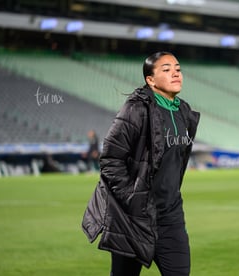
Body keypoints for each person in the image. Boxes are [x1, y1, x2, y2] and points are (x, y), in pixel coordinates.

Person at [82, 52, 200, 276]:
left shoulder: (184, 111)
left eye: (177, 68)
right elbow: (110, 160)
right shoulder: (135, 109)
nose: (175, 72)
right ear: (150, 80)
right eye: (166, 69)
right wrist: (133, 199)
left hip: (170, 216)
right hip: (133, 217)